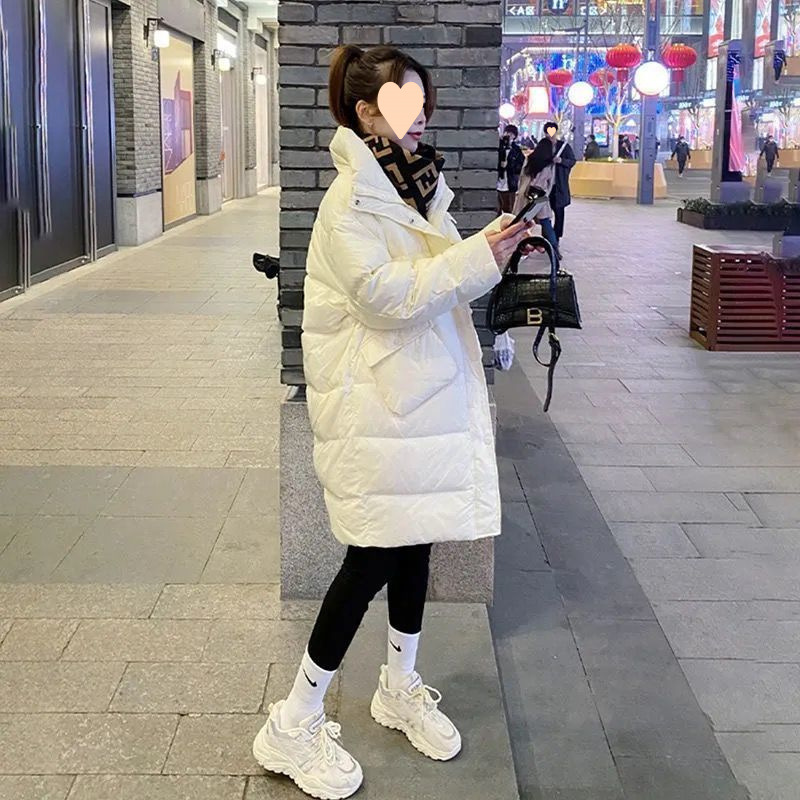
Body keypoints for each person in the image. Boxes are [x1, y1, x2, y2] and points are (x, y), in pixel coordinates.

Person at [251, 44, 534, 800]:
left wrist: (491, 248)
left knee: (415, 544)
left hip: (416, 399)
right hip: (375, 405)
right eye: (405, 103)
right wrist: (477, 257)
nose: (421, 116)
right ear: (366, 112)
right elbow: (386, 298)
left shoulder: (414, 185)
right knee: (371, 558)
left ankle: (399, 686)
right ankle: (293, 721)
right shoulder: (352, 199)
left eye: (423, 101)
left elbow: (430, 284)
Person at [514, 121, 561, 258]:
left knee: (520, 222)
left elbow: (522, 176)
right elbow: (550, 182)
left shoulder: (530, 159)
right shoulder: (550, 164)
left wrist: (520, 190)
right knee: (546, 222)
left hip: (526, 193)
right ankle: (554, 250)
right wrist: (546, 194)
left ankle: (519, 247)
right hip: (540, 195)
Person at [549, 135, 576, 243]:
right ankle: (547, 236)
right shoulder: (544, 146)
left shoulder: (564, 147)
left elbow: (572, 161)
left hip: (559, 185)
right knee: (545, 215)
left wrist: (561, 160)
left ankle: (556, 237)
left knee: (559, 213)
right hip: (546, 187)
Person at [497, 124, 525, 213]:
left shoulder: (516, 150)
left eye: (512, 134)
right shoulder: (498, 146)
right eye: (507, 132)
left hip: (510, 182)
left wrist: (509, 166)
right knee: (496, 209)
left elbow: (521, 165)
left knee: (509, 208)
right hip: (498, 181)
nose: (509, 135)